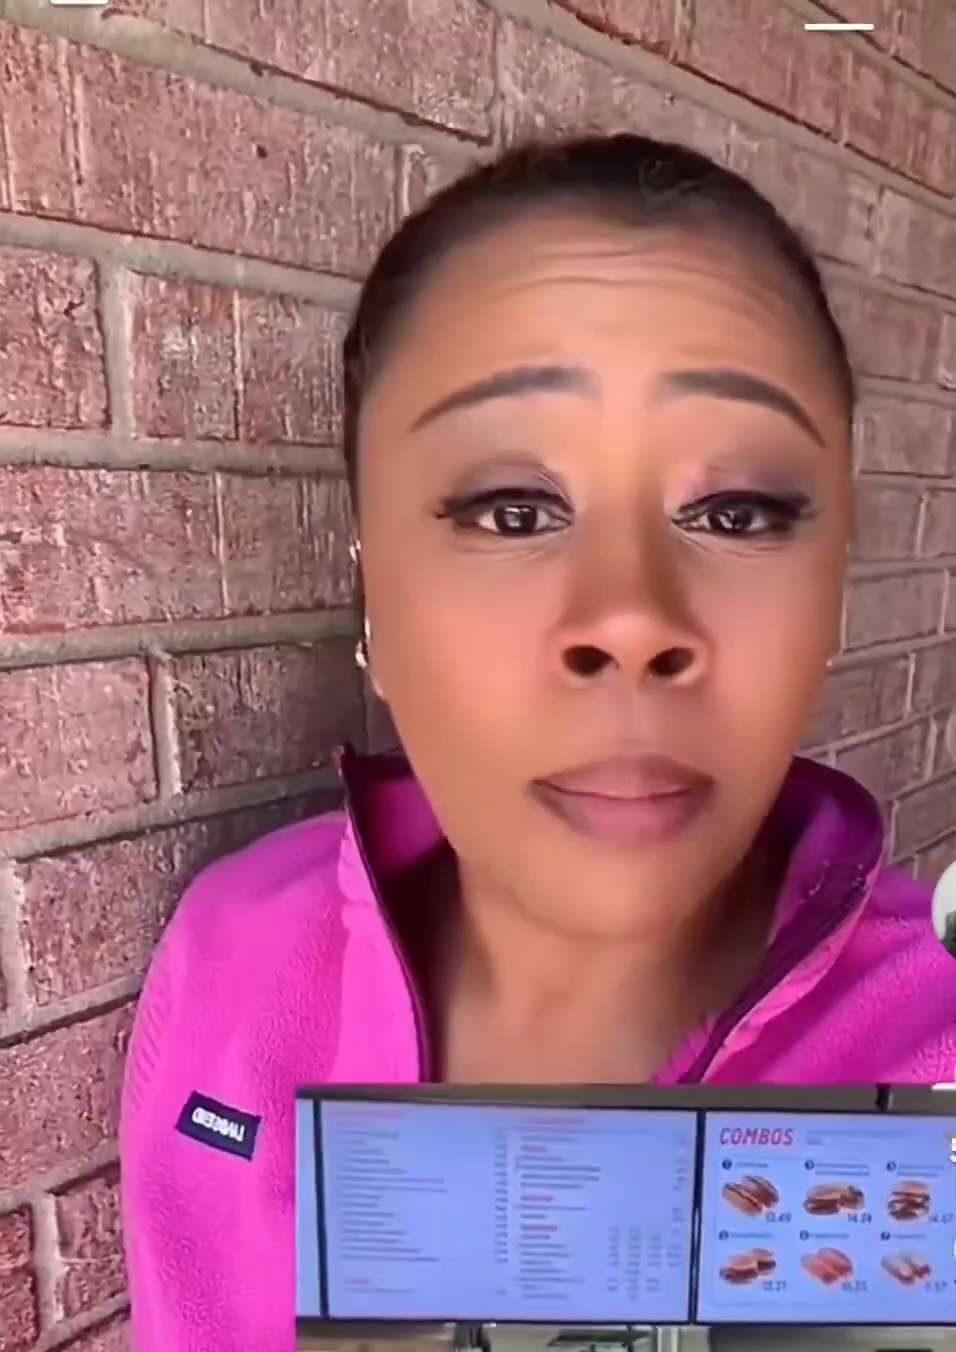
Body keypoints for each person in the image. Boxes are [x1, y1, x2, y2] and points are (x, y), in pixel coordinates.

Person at [120, 134, 956, 1351]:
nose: (629, 618)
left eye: (734, 512)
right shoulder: (234, 950)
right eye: (512, 510)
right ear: (371, 595)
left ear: (831, 594)